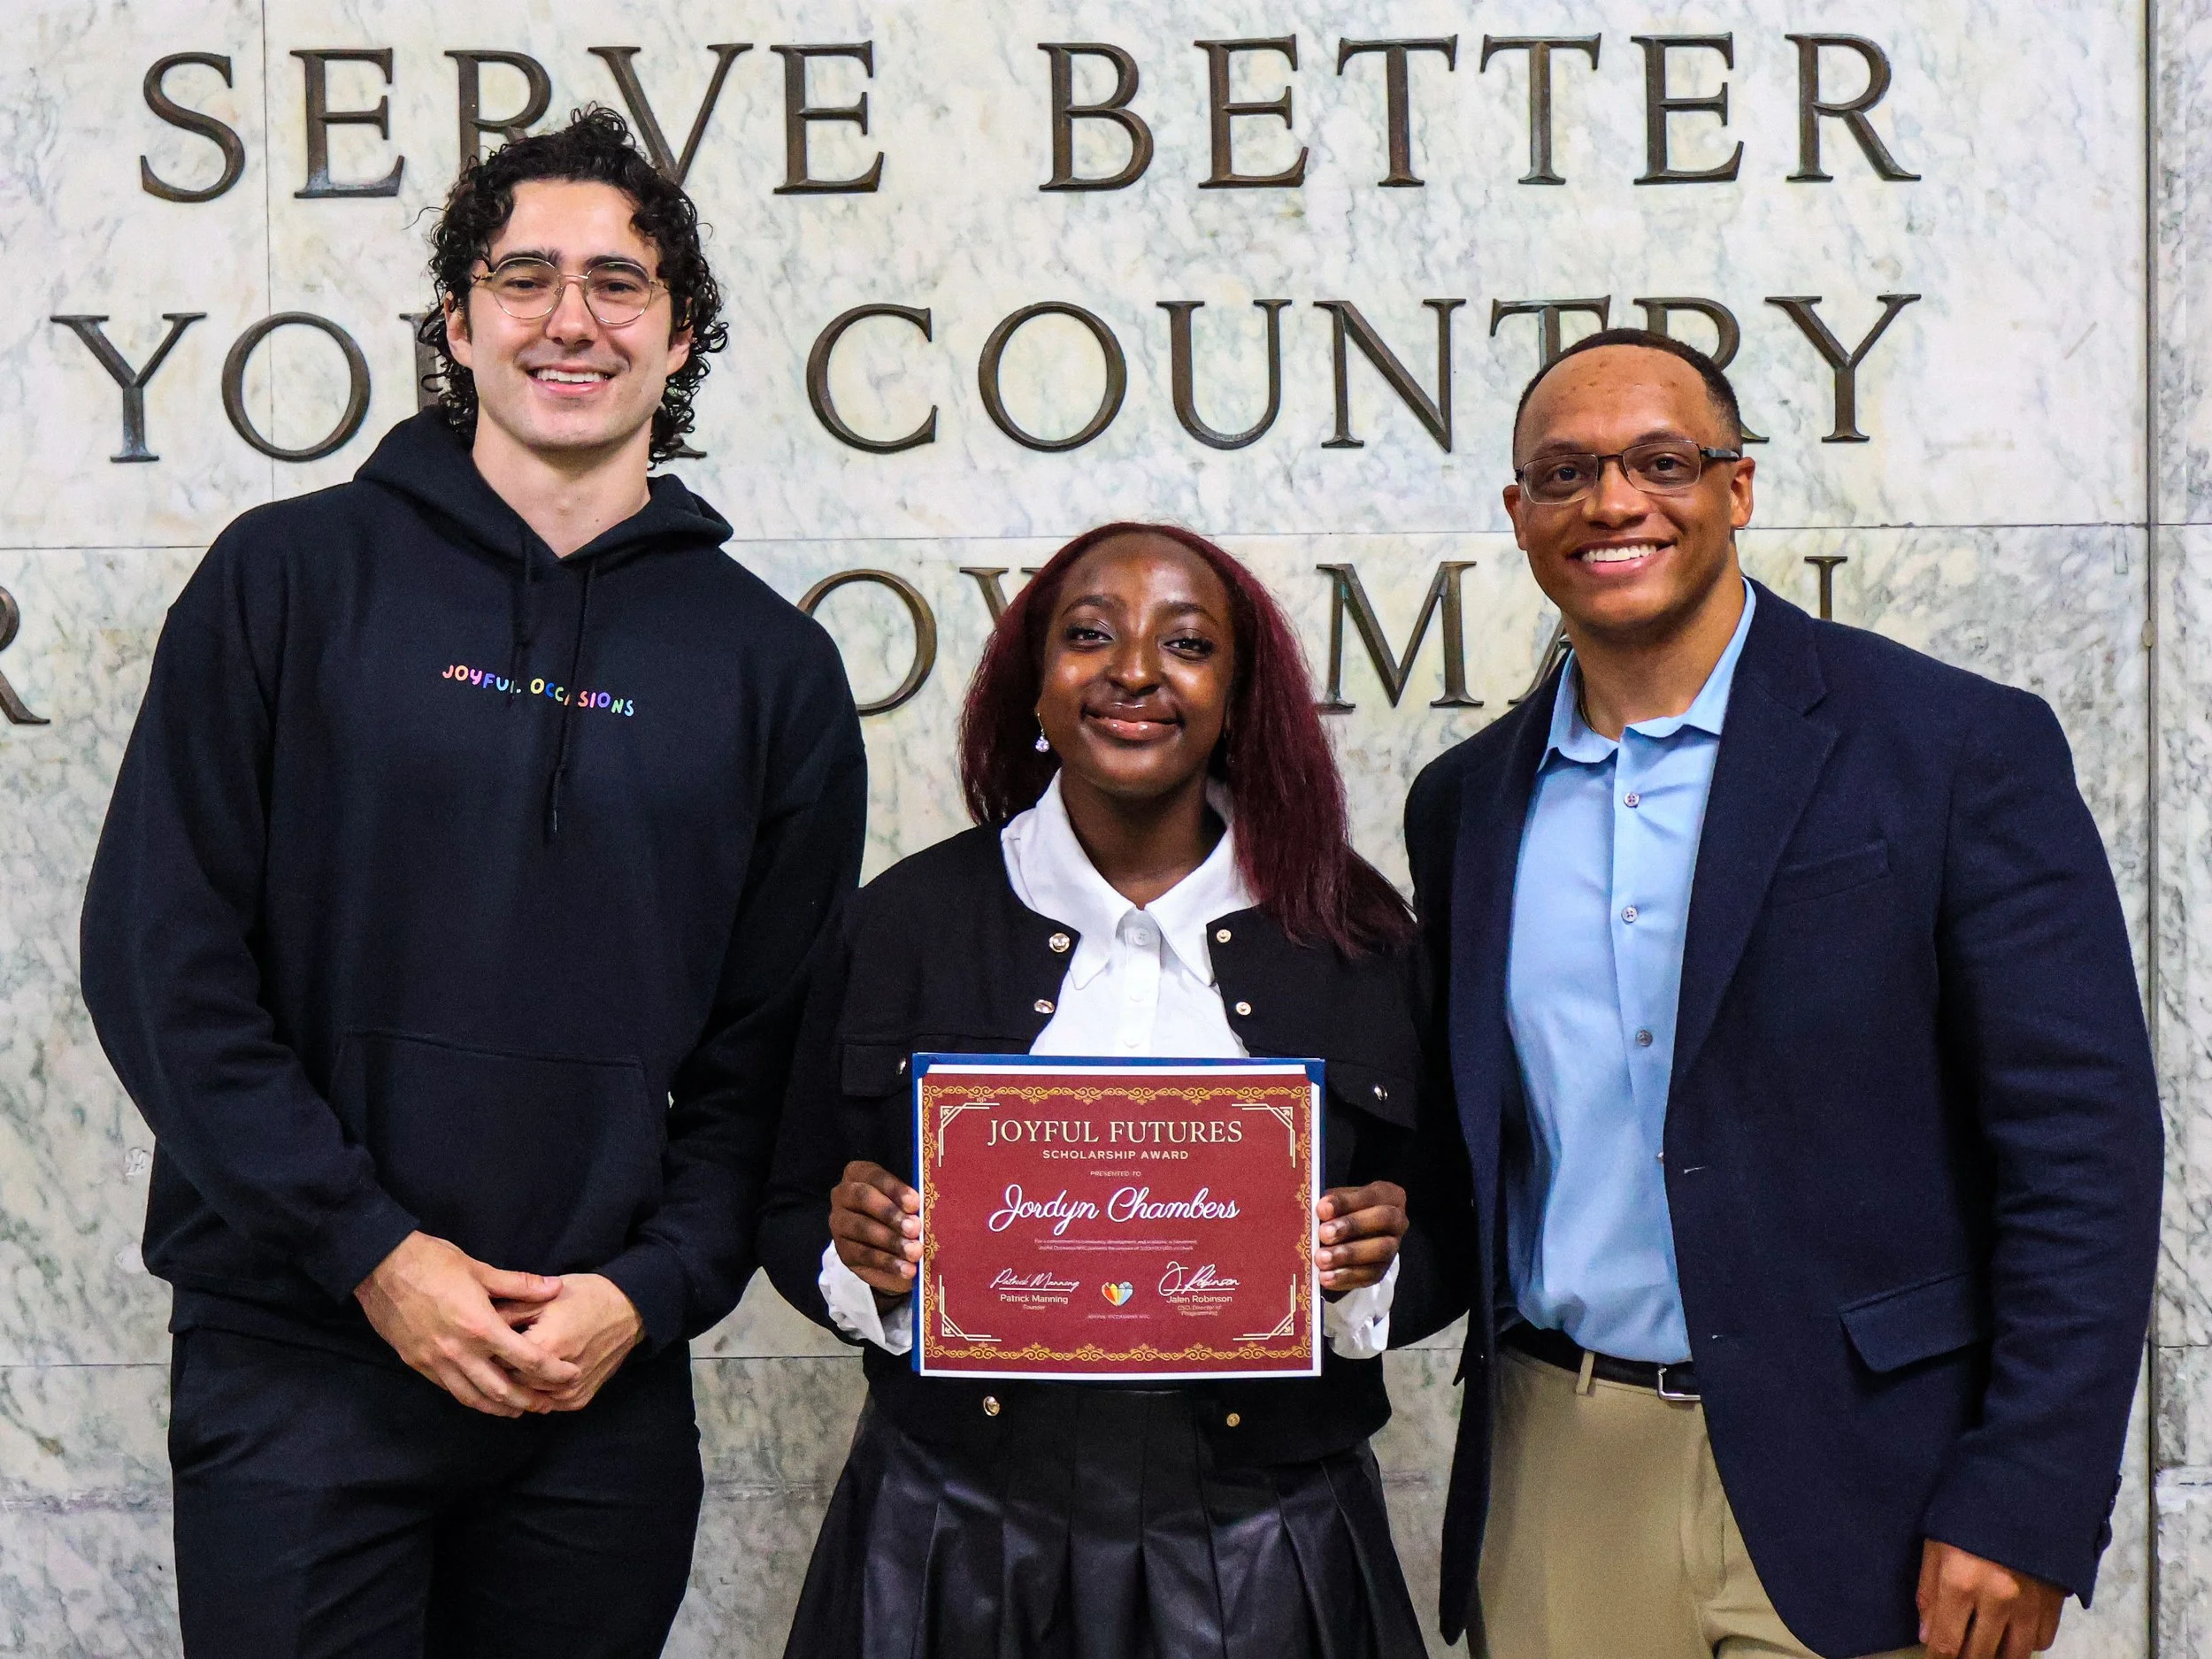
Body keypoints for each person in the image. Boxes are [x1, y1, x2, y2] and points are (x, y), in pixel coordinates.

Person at [78, 110, 866, 1657]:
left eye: (619, 283)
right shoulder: (287, 581)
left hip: (597, 1390)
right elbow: (162, 964)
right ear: (458, 320)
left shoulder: (769, 668)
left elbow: (765, 1050)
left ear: (681, 329)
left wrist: (649, 1291)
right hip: (300, 1358)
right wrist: (370, 1251)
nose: (570, 319)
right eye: (524, 277)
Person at [1401, 328, 2162, 1659]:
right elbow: (1464, 1163)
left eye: (1662, 460)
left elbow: (2082, 1150)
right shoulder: (1465, 805)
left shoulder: (1952, 748)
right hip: (1563, 1463)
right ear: (1520, 516)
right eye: (1567, 472)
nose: (1615, 501)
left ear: (1737, 489)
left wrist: (2028, 1494)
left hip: (1877, 1481)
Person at [759, 523, 1447, 1659]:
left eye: (1187, 643)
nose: (1134, 670)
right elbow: (786, 1200)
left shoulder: (1359, 936)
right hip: (953, 1524)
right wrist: (862, 1261)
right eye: (1088, 636)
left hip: (1268, 1532)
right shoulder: (901, 923)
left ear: (1240, 694)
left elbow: (1460, 1221)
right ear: (1034, 682)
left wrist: (1369, 1275)